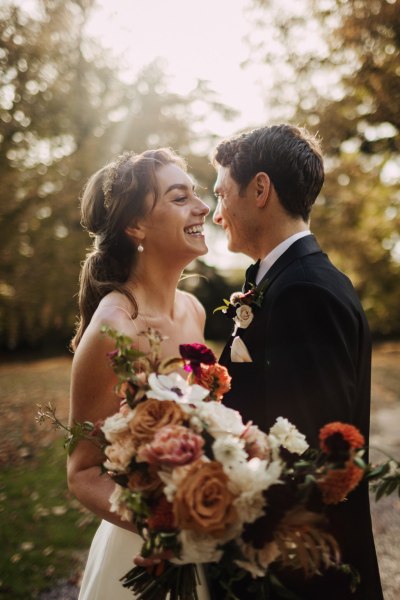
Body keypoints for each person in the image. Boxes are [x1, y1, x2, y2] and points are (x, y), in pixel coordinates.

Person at [209, 124, 383, 599]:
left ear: (260, 189)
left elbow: (306, 458)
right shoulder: (290, 281)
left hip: (301, 573)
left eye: (222, 193)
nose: (217, 212)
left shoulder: (304, 292)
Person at [67, 148, 210, 599]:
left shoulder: (194, 310)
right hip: (144, 553)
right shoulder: (114, 329)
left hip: (203, 537)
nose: (202, 207)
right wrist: (166, 527)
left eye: (197, 195)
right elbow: (83, 472)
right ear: (136, 227)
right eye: (179, 197)